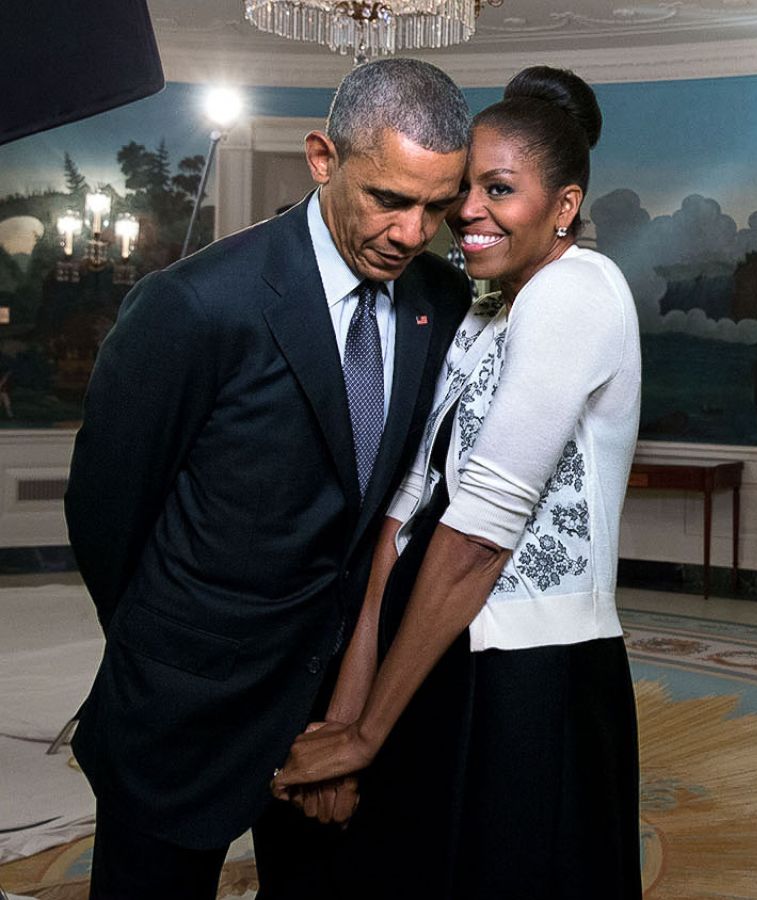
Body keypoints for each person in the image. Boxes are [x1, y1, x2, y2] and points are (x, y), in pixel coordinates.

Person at [63, 58, 472, 900]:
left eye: (436, 206)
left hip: (335, 714)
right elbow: (107, 511)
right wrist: (171, 654)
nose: (411, 232)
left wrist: (350, 710)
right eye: (389, 199)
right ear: (324, 158)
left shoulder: (441, 301)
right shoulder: (196, 303)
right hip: (181, 713)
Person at [273, 66, 643, 899]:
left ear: (564, 206)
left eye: (500, 189)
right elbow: (398, 528)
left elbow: (480, 531)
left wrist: (367, 731)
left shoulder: (580, 289)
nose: (467, 211)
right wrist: (349, 717)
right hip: (433, 645)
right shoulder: (483, 310)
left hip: (531, 672)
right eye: (464, 188)